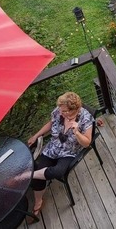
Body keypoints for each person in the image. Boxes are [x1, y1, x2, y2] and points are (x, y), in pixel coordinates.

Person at [26, 92, 93, 221]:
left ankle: (27, 175)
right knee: (38, 177)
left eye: (64, 111)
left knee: (57, 172)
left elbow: (87, 143)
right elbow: (51, 123)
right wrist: (36, 136)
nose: (60, 112)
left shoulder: (85, 118)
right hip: (53, 147)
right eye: (60, 110)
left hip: (69, 151)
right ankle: (38, 201)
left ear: (73, 110)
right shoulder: (60, 110)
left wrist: (77, 132)